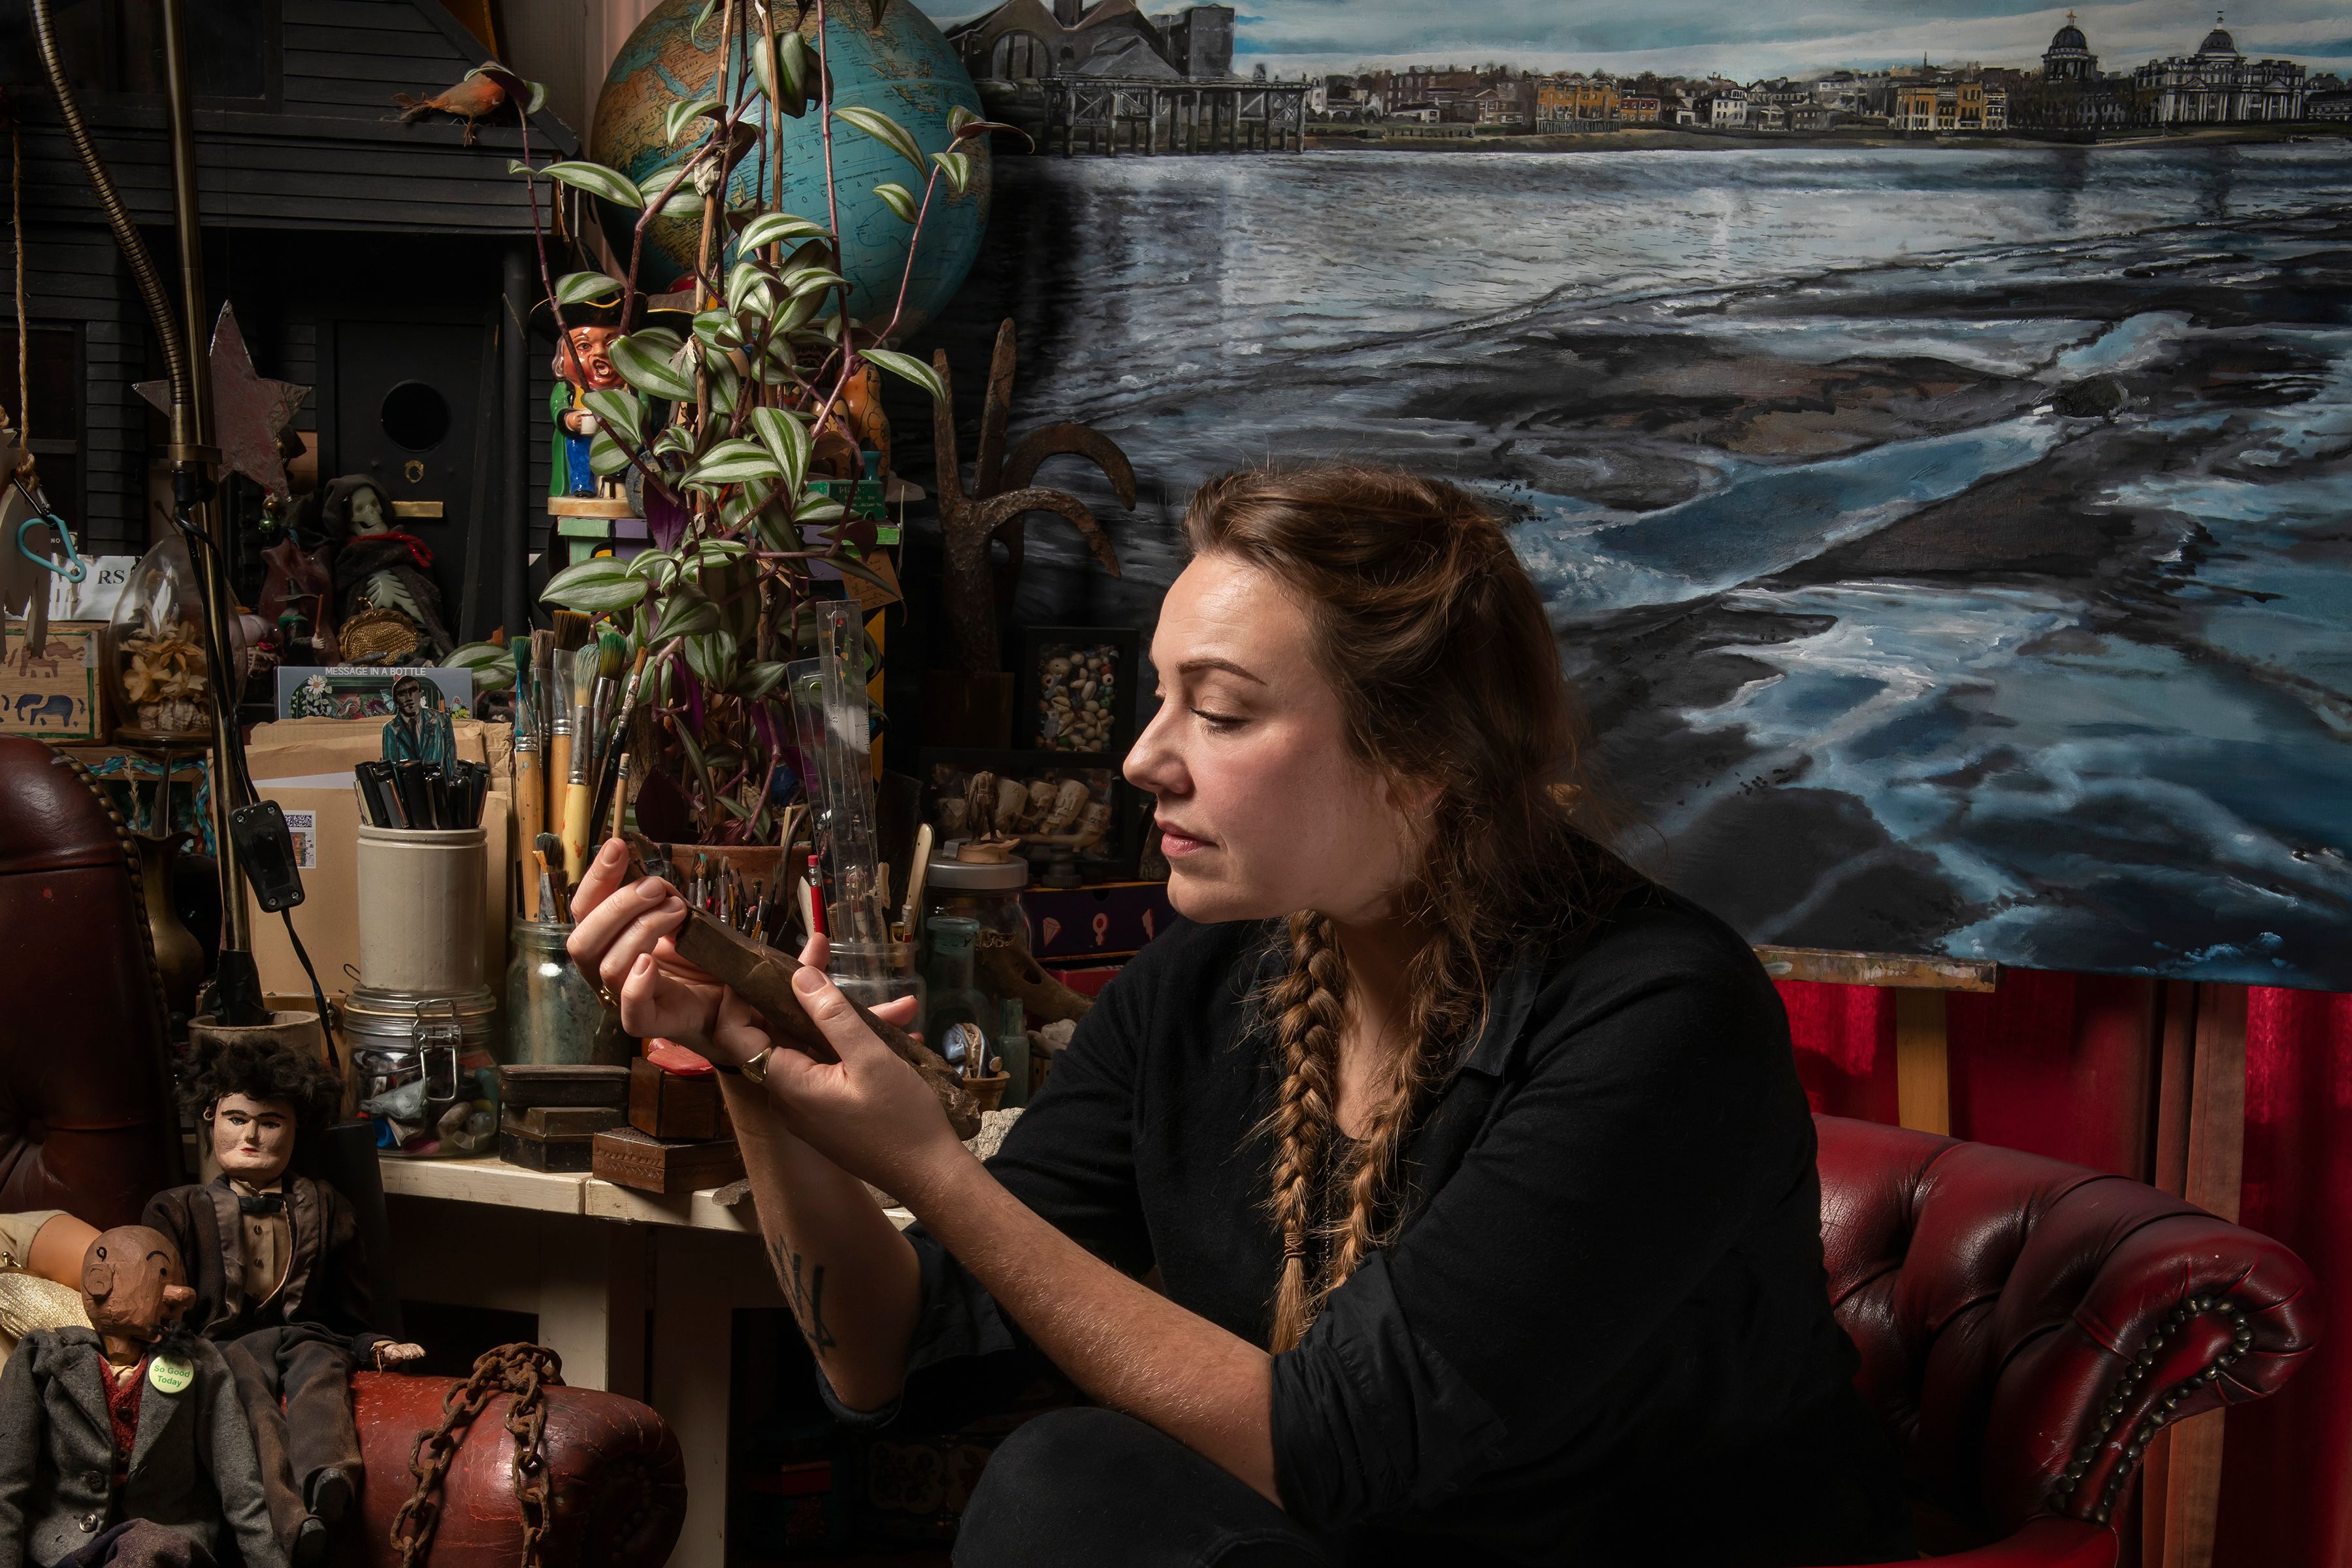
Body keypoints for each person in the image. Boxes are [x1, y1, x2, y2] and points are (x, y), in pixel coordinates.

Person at [564, 466, 1911, 1566]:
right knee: (1069, 1483)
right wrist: (749, 1057)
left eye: (1217, 710)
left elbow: (1340, 1448)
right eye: (1162, 698)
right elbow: (888, 1363)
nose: (1145, 756)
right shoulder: (1205, 986)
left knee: (1067, 1496)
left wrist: (925, 1164)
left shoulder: (1658, 1019)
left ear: (1420, 761)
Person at [143, 1041, 423, 1567]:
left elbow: (348, 1311)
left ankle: (331, 1478)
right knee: (249, 1398)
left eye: (270, 1122)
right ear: (210, 1119)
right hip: (222, 1344)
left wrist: (374, 1344)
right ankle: (294, 1523)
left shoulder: (326, 1207)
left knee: (323, 1371)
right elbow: (152, 1303)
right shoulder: (178, 1210)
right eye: (235, 1118)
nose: (249, 1136)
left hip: (304, 1334)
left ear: (298, 1130)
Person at [380, 675, 454, 767]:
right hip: (407, 780)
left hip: (436, 779)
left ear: (420, 694)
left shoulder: (441, 719)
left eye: (413, 691)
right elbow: (391, 766)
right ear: (395, 700)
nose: (409, 698)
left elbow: (450, 760)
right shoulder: (390, 729)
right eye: (402, 694)